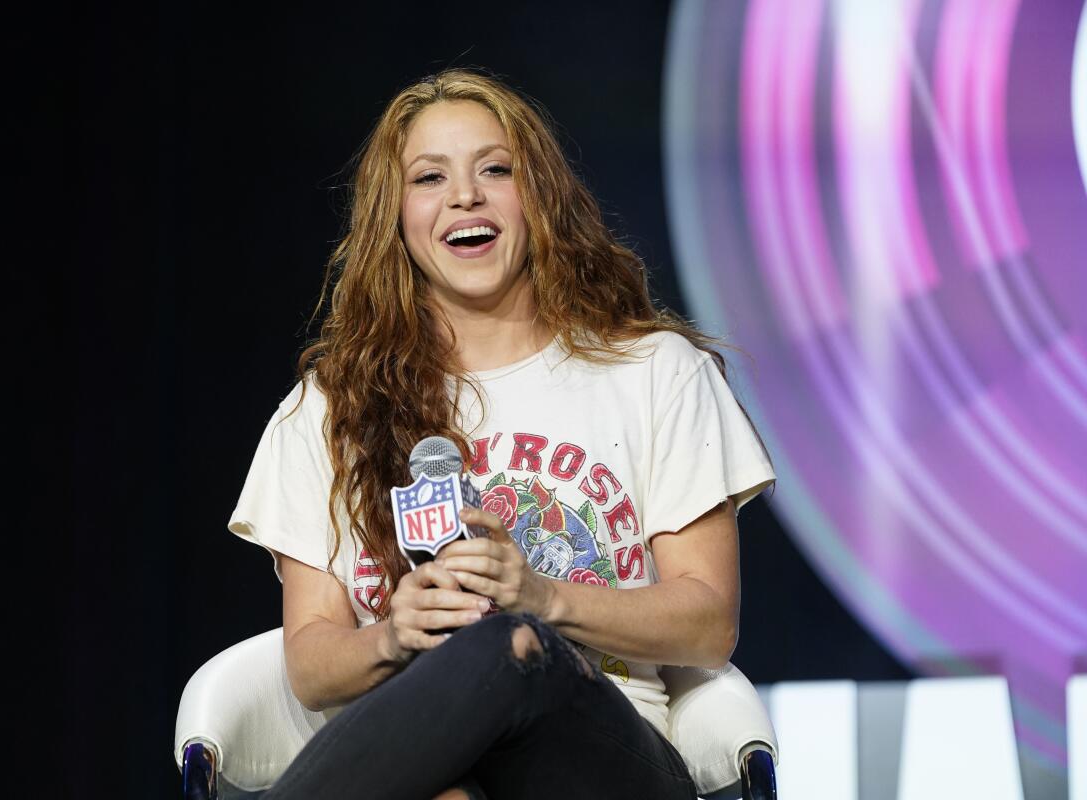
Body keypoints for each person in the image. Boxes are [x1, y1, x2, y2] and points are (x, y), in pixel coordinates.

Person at [227, 68, 776, 799]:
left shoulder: (653, 373)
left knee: (508, 645)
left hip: (608, 757)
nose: (465, 196)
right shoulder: (328, 409)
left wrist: (542, 599)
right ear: (396, 218)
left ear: (539, 197)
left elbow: (708, 623)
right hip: (425, 771)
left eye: (495, 169)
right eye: (429, 178)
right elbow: (310, 662)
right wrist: (393, 635)